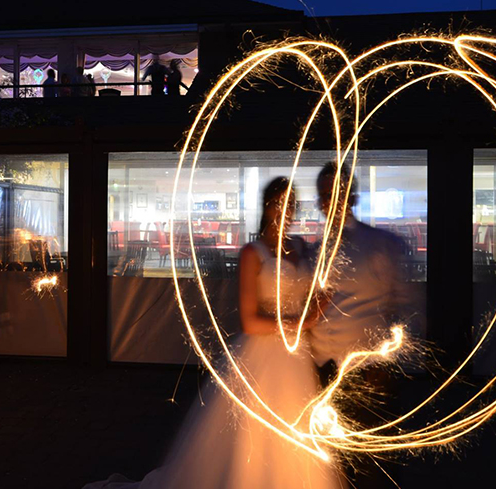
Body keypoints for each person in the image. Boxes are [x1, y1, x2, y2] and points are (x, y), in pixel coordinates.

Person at [83, 177, 343, 489]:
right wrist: (300, 323)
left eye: (292, 203)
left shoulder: (302, 248)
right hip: (264, 355)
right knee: (255, 433)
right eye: (279, 203)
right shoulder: (253, 252)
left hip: (296, 356)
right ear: (268, 207)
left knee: (294, 429)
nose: (286, 210)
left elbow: (314, 287)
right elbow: (250, 321)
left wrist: (320, 302)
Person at [308, 162, 412, 489]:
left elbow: (404, 307)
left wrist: (387, 362)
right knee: (330, 457)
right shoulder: (313, 250)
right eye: (324, 194)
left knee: (370, 460)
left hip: (366, 369)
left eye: (336, 192)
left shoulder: (382, 244)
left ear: (351, 196)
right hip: (322, 367)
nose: (330, 200)